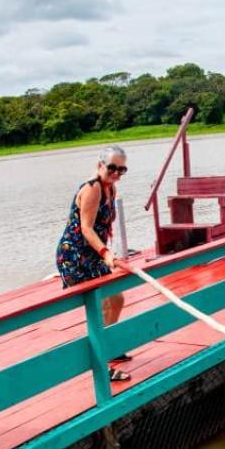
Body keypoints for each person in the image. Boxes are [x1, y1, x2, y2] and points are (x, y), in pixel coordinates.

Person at [55, 145, 132, 382]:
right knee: (98, 308)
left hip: (94, 255)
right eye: (112, 167)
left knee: (116, 299)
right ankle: (103, 366)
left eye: (122, 169)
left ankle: (106, 348)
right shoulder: (92, 189)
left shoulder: (111, 189)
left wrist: (107, 253)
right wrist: (106, 253)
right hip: (76, 256)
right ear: (100, 165)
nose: (116, 173)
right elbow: (86, 228)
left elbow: (104, 226)